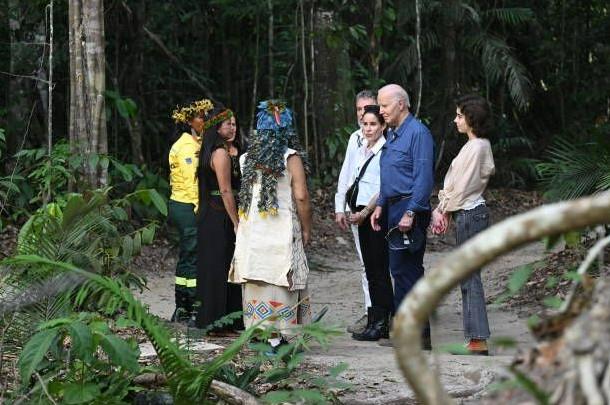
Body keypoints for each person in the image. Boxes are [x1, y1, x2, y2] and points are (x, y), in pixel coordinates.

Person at [229, 100, 312, 347]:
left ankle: (262, 334)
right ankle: (283, 336)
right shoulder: (290, 158)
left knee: (258, 279)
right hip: (282, 230)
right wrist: (307, 227)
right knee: (281, 278)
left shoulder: (245, 159)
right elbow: (301, 196)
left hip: (253, 233)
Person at [370, 84, 434, 349]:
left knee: (408, 272)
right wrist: (380, 205)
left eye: (384, 105)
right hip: (394, 208)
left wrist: (411, 211)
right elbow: (390, 174)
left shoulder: (417, 133)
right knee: (399, 271)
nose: (381, 110)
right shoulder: (394, 135)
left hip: (409, 209)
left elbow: (423, 178)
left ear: (401, 104)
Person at [430, 94, 495, 355]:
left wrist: (442, 209)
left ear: (471, 119)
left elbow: (463, 187)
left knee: (469, 276)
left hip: (470, 213)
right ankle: (476, 337)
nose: (455, 120)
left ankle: (478, 338)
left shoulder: (477, 147)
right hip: (468, 213)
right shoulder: (474, 146)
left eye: (459, 115)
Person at [347, 105, 394, 341]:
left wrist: (365, 212)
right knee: (370, 269)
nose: (368, 128)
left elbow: (384, 186)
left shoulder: (386, 150)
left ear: (383, 126)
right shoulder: (360, 147)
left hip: (375, 213)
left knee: (379, 269)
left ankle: (383, 322)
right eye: (365, 124)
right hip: (360, 212)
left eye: (373, 124)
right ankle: (375, 321)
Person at [195, 107, 244, 332]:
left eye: (234, 124)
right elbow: (226, 191)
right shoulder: (220, 153)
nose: (232, 128)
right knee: (219, 266)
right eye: (228, 124)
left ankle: (223, 318)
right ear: (217, 128)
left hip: (211, 214)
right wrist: (236, 222)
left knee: (220, 265)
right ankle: (217, 321)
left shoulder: (212, 150)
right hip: (219, 215)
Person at [334, 90, 377, 334]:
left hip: (378, 208)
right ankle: (371, 311)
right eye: (359, 110)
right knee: (365, 263)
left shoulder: (387, 137)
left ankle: (386, 311)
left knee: (384, 264)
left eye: (368, 108)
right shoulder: (355, 138)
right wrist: (340, 205)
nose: (363, 114)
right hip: (356, 207)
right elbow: (347, 174)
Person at [168, 98, 214, 323]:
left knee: (189, 253)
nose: (203, 120)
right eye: (199, 117)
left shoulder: (196, 143)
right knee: (192, 254)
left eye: (206, 116)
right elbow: (190, 181)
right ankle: (189, 305)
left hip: (186, 203)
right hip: (187, 204)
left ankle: (183, 304)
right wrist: (198, 208)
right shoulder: (186, 146)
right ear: (188, 121)